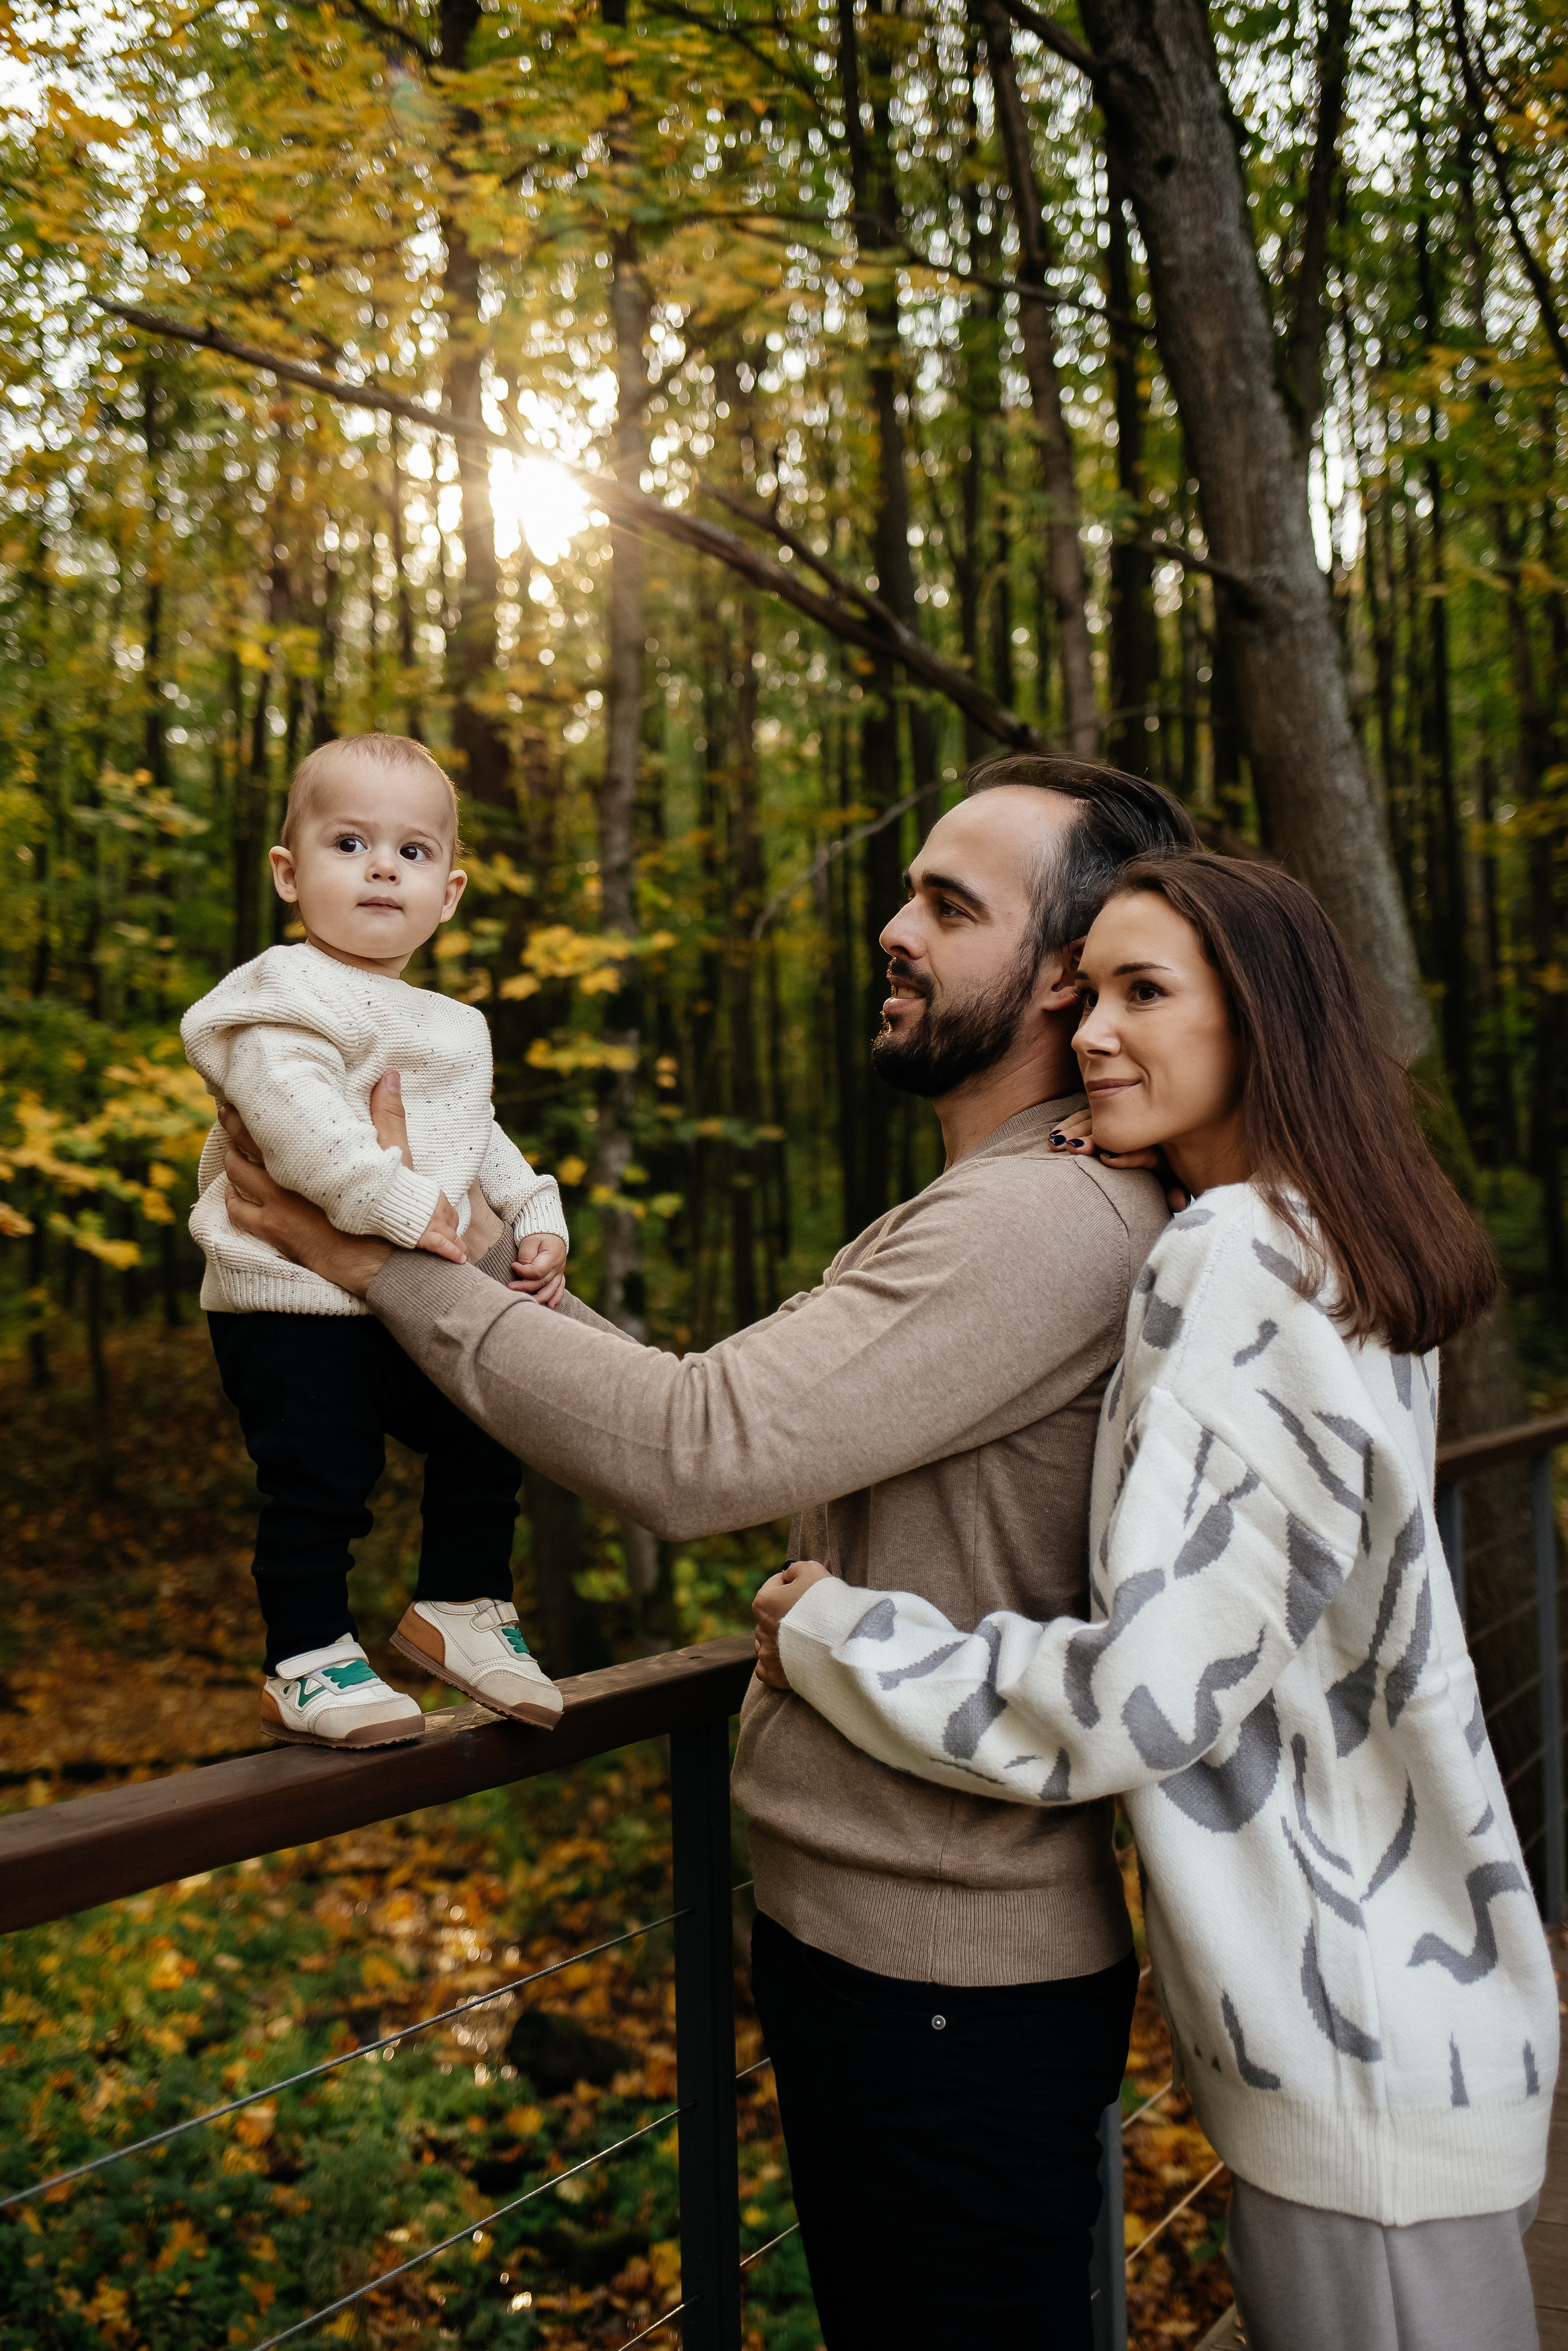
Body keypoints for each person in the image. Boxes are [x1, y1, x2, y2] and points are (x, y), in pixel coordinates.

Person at [214, 754, 1198, 2348]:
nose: (893, 926)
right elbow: (708, 1407)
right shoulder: (1003, 1198)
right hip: (904, 1950)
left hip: (948, 1977)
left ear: (1070, 975)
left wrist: (365, 1259)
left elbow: (690, 1453)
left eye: (950, 905)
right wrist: (459, 1253)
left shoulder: (1039, 1222)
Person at [753, 850, 1558, 2351]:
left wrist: (836, 1629)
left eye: (1142, 992)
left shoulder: (1236, 1255)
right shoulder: (1337, 1240)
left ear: (1262, 1017)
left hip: (1359, 2060)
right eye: (1081, 997)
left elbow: (1145, 1695)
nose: (1088, 1036)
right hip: (1422, 2023)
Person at [181, 733, 569, 1749]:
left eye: (412, 851)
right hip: (287, 1299)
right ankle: (306, 1658)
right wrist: (395, 1202)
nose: (383, 867)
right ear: (290, 872)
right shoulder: (280, 991)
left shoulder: (449, 1021)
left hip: (401, 1293)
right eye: (349, 842)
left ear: (449, 892)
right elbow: (296, 1119)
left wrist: (534, 1213)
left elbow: (474, 1134)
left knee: (488, 1418)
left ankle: (463, 1601)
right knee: (323, 1470)